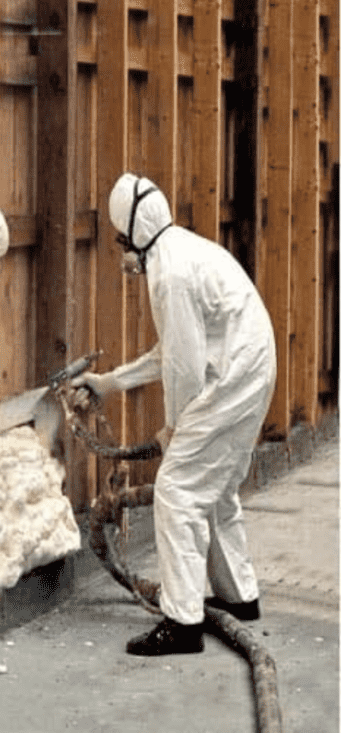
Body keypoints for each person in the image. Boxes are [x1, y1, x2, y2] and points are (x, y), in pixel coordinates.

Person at [73, 172, 277, 656]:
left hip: (234, 376)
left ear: (136, 233)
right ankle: (239, 597)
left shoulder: (171, 273)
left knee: (177, 490)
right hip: (249, 368)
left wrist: (174, 429)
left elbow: (184, 368)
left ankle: (182, 622)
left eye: (121, 240)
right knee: (215, 487)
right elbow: (171, 351)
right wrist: (109, 383)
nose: (121, 251)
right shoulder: (177, 251)